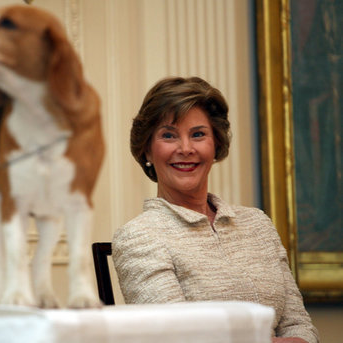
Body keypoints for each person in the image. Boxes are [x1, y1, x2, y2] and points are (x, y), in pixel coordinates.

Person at [112, 76, 318, 343]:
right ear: (147, 151)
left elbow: (302, 328)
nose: (185, 149)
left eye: (198, 134)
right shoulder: (138, 237)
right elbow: (176, 338)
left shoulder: (258, 224)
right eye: (168, 135)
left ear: (216, 144)